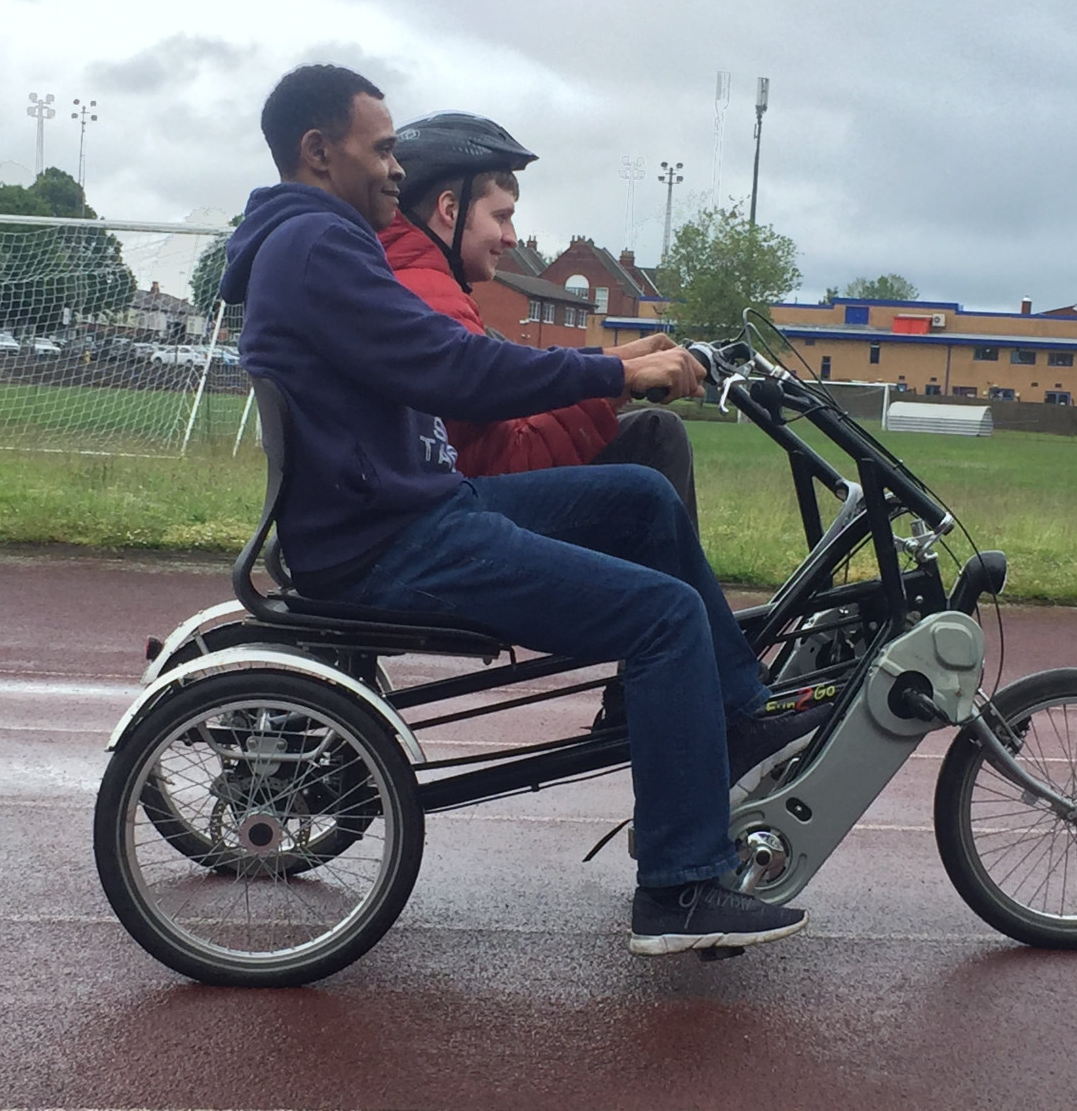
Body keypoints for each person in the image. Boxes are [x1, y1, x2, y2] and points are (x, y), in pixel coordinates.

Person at [220, 64, 828, 956]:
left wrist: (615, 364)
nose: (397, 166)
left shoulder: (319, 240)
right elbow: (455, 369)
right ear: (319, 151)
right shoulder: (319, 246)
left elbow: (449, 359)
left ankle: (732, 716)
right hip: (394, 540)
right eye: (382, 148)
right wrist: (615, 372)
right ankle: (679, 887)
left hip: (402, 513)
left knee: (641, 497)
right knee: (663, 617)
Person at [379, 112, 698, 526]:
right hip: (463, 519)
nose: (511, 237)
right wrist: (617, 385)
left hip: (457, 499)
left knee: (654, 431)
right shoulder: (431, 299)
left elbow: (513, 377)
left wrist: (622, 359)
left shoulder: (419, 283)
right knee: (656, 447)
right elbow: (508, 459)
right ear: (449, 210)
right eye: (501, 217)